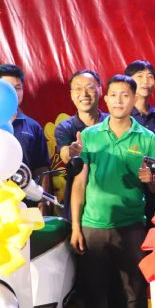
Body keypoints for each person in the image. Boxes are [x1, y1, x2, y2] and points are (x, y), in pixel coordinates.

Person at [69, 74, 155, 308]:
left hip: (132, 225)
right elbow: (79, 183)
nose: (119, 100)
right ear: (106, 99)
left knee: (134, 291)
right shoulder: (90, 136)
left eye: (125, 95)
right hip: (93, 225)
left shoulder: (147, 138)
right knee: (94, 293)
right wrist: (76, 226)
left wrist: (152, 179)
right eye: (114, 95)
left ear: (134, 99)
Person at [54, 69, 107, 219]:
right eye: (78, 88)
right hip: (78, 201)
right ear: (71, 95)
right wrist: (71, 152)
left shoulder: (113, 123)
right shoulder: (65, 127)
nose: (84, 93)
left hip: (110, 198)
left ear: (100, 91)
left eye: (90, 87)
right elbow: (64, 154)